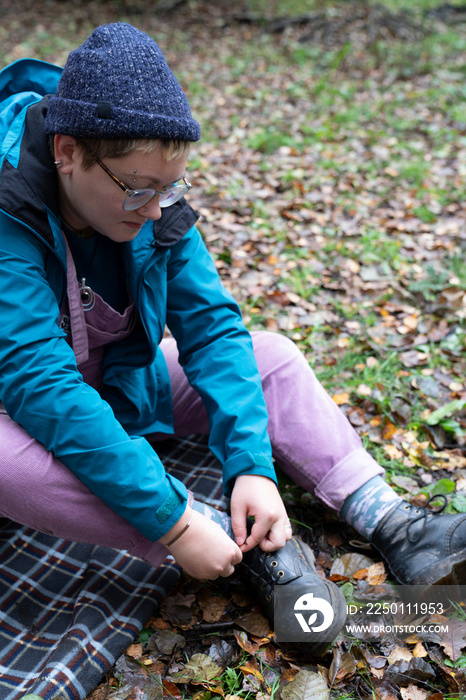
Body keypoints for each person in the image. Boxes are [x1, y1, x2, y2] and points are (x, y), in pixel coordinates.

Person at [0, 22, 464, 657]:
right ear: (67, 152)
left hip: (114, 381)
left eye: (172, 186)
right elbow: (39, 384)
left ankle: (394, 521)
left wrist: (251, 465)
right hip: (16, 408)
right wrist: (176, 521)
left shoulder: (153, 206)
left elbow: (214, 329)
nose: (158, 210)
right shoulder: (9, 215)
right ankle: (235, 547)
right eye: (138, 188)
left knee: (267, 355)